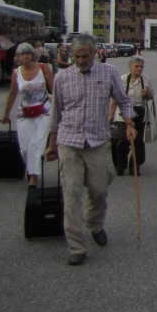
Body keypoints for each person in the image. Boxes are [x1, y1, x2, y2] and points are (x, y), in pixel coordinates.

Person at [44, 33, 135, 266]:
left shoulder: (109, 73)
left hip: (98, 140)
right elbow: (55, 114)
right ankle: (76, 246)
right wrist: (51, 145)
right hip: (69, 142)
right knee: (71, 194)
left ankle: (95, 224)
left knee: (99, 189)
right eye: (76, 56)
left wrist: (129, 124)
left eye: (85, 56)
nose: (80, 60)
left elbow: (123, 101)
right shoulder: (62, 78)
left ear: (95, 53)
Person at [0, 42, 55, 186]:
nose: (24, 56)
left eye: (27, 53)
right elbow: (12, 93)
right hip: (24, 113)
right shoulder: (16, 73)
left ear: (33, 55)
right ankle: (32, 168)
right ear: (18, 57)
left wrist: (61, 109)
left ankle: (34, 177)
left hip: (44, 111)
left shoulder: (44, 68)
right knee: (25, 148)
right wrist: (6, 114)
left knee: (37, 144)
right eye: (21, 54)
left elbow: (55, 90)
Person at [109, 56, 154, 176]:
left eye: (141, 66)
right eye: (136, 66)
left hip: (140, 115)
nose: (139, 69)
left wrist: (147, 94)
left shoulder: (146, 80)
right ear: (130, 67)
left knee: (139, 142)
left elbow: (151, 97)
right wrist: (110, 115)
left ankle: (135, 166)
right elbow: (115, 99)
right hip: (123, 115)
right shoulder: (122, 79)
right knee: (123, 140)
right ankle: (120, 164)